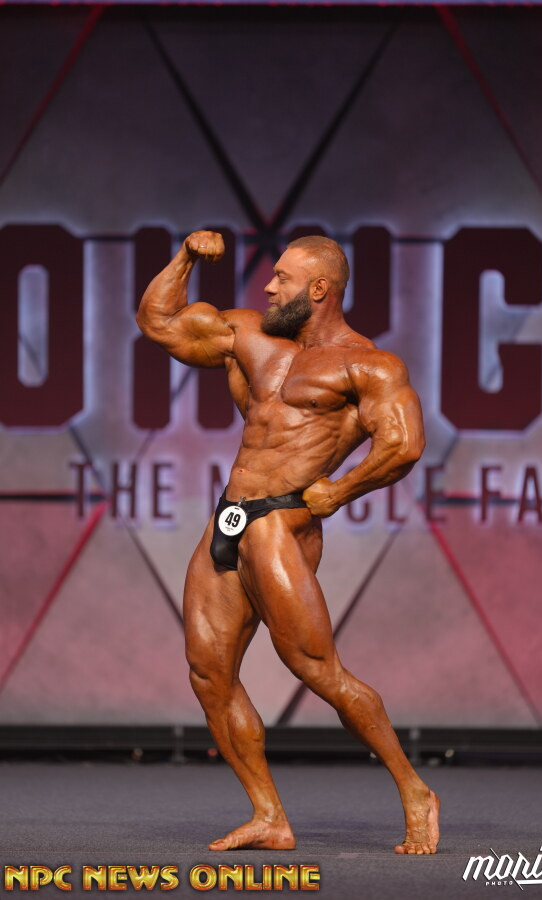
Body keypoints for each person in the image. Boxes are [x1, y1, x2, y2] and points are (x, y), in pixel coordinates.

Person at [137, 230, 440, 855]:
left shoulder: (368, 365)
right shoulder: (250, 336)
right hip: (229, 516)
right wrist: (187, 257)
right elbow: (160, 323)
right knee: (208, 674)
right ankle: (269, 815)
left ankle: (415, 790)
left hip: (282, 522)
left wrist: (341, 491)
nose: (269, 287)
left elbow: (405, 444)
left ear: (320, 289)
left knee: (315, 670)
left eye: (283, 278)